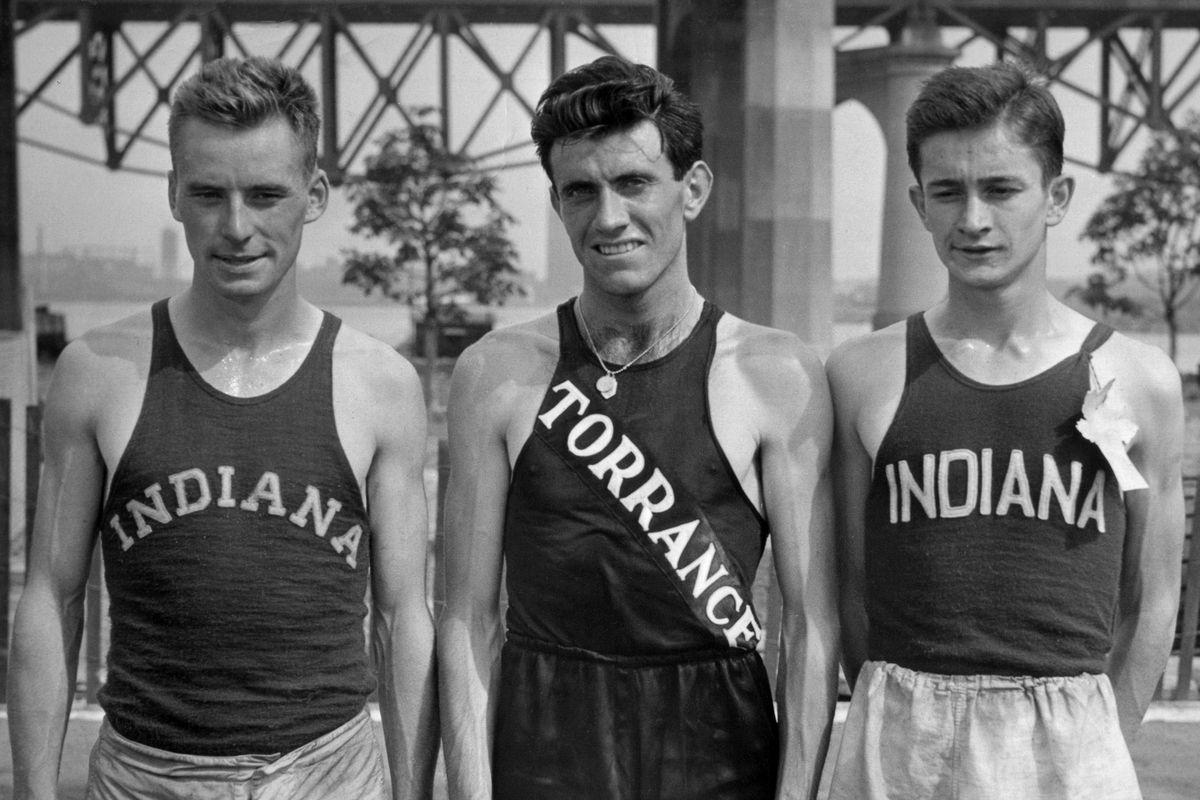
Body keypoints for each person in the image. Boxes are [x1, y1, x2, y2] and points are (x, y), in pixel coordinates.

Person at [8, 56, 438, 799]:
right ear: (175, 194)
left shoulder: (380, 384)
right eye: (209, 194)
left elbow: (403, 616)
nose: (237, 227)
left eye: (266, 194)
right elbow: (52, 594)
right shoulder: (99, 371)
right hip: (146, 775)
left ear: (315, 195)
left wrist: (411, 792)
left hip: (331, 775)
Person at [436, 55, 839, 800]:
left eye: (633, 183)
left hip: (718, 746)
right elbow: (465, 618)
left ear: (693, 190)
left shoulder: (777, 374)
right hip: (544, 743)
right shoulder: (495, 373)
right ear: (557, 203)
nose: (609, 217)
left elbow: (812, 629)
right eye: (581, 191)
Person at [825, 61, 1185, 800]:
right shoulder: (862, 373)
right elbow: (851, 589)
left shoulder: (1138, 379)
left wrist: (1100, 743)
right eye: (949, 193)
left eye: (1001, 189)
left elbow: (1151, 598)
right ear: (919, 203)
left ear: (1055, 198)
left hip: (1069, 741)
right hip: (902, 739)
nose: (974, 220)